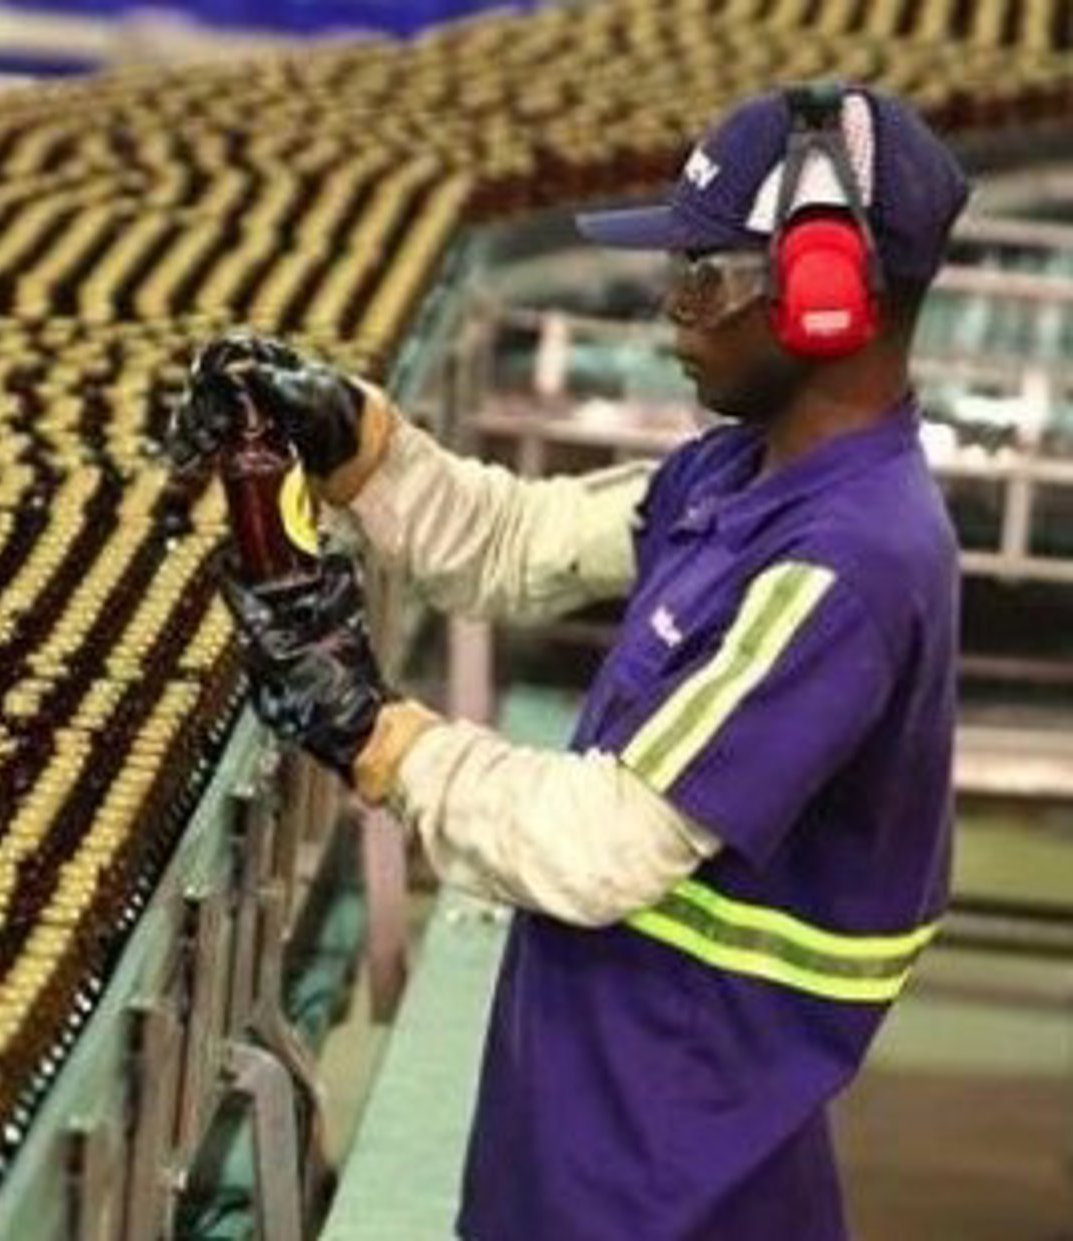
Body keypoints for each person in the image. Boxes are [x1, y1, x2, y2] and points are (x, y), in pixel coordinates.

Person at [168, 82, 969, 1240]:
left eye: (703, 278)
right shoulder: (742, 473)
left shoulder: (846, 566)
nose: (673, 313)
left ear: (826, 294)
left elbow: (603, 845)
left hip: (670, 1168)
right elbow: (521, 544)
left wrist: (372, 730)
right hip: (600, 1099)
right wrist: (357, 443)